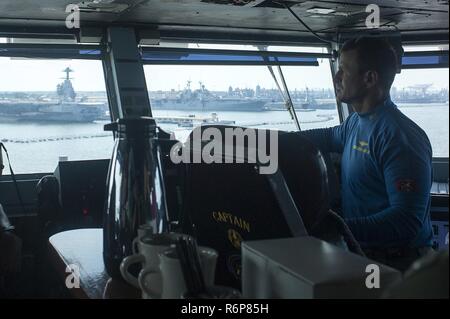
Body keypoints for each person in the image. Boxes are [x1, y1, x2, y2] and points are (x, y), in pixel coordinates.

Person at [299, 37, 433, 271]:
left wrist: (335, 227)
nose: (336, 77)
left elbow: (406, 220)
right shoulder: (356, 123)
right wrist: (262, 140)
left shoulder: (400, 138)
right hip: (365, 255)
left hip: (401, 266)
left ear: (370, 79)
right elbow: (327, 137)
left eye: (343, 71)